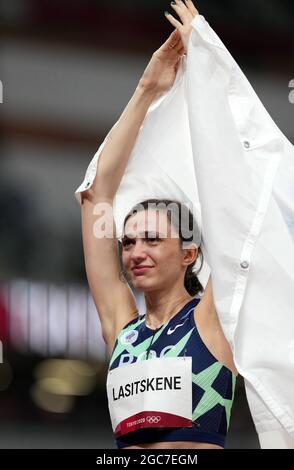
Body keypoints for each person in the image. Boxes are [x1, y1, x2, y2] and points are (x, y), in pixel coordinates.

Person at [76, 0, 294, 449]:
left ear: (191, 252)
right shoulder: (121, 327)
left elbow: (230, 194)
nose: (135, 251)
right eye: (130, 240)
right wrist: (147, 87)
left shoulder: (214, 318)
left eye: (153, 239)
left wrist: (211, 72)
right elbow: (98, 197)